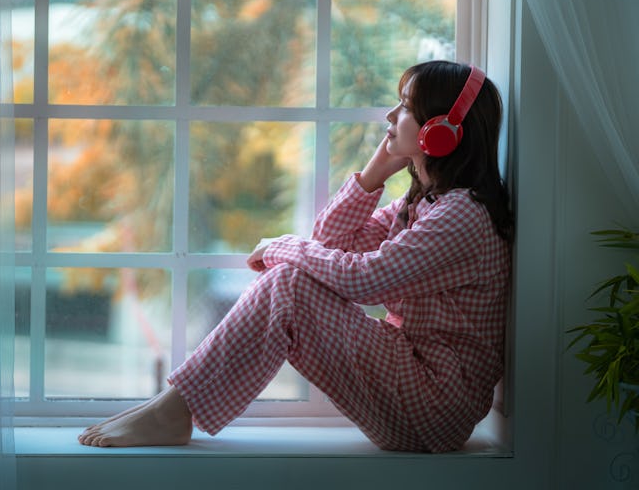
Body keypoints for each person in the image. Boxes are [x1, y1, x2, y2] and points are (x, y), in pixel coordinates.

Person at [78, 60, 514, 453]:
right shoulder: (426, 204)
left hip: (433, 406)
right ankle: (174, 406)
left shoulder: (462, 215)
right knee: (292, 279)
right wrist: (373, 174)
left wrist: (281, 246)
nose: (390, 115)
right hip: (414, 383)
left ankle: (174, 410)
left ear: (441, 133)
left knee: (289, 283)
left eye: (405, 106)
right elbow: (332, 240)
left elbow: (363, 280)